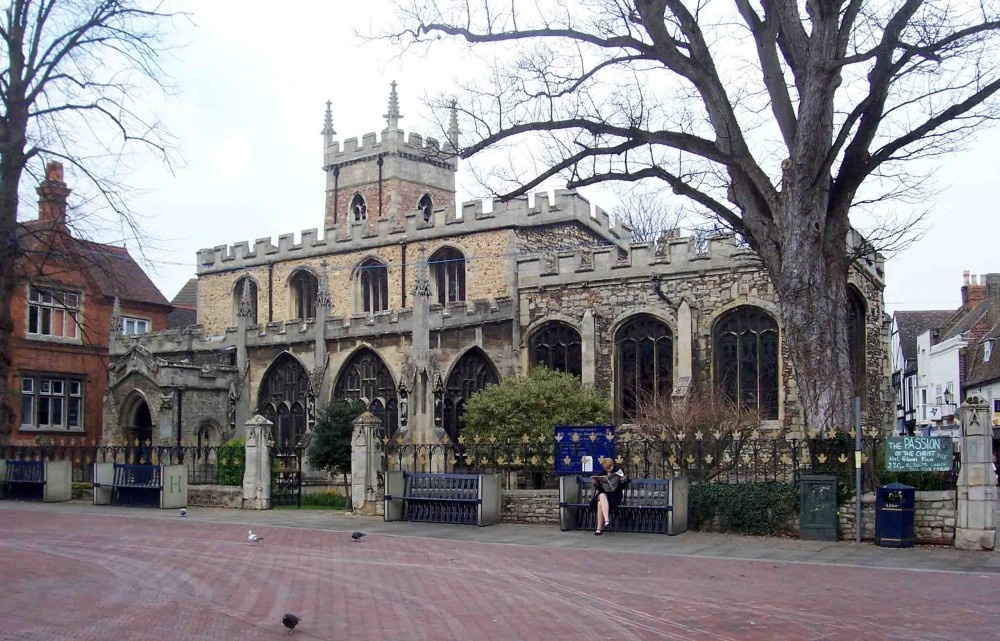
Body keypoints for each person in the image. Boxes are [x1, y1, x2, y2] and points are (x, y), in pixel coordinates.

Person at [589, 456, 626, 535]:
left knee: (600, 504)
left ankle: (599, 528)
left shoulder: (619, 471)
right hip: (605, 494)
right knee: (602, 495)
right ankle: (606, 520)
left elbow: (623, 487)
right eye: (606, 469)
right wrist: (596, 484)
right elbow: (600, 489)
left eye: (609, 468)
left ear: (612, 465)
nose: (608, 470)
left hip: (615, 495)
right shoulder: (602, 474)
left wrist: (622, 481)